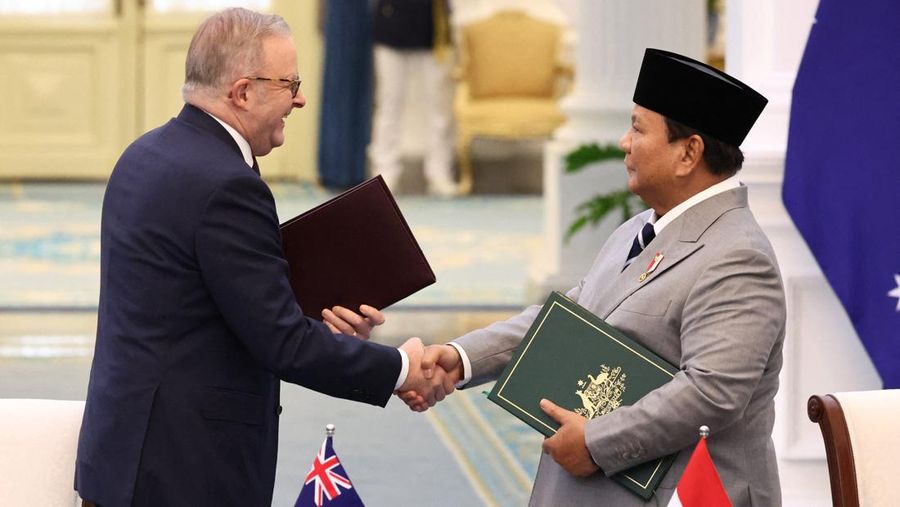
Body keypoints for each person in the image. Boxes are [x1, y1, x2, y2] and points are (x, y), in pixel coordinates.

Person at [74, 8, 446, 506]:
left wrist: (313, 318)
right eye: (289, 83)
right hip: (186, 470)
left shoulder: (144, 154)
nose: (300, 98)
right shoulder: (228, 184)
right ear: (243, 92)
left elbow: (192, 299)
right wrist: (401, 368)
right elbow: (281, 343)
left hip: (123, 456)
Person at [402, 48, 785, 506]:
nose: (624, 142)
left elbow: (713, 392)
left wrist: (596, 443)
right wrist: (460, 358)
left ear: (689, 153)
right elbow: (563, 324)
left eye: (638, 129)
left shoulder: (738, 256)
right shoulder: (638, 229)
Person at [368, 0, 457, 196]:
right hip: (391, 23)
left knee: (439, 107)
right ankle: (384, 173)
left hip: (433, 28)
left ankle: (439, 172)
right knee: (389, 105)